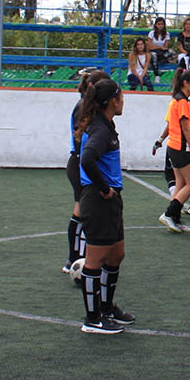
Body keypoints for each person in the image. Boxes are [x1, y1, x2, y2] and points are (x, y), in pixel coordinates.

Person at [75, 78, 134, 334]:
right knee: (95, 259)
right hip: (99, 201)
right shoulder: (100, 129)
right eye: (121, 97)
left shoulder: (107, 125)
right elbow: (87, 158)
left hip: (110, 200)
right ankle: (92, 318)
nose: (123, 102)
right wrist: (104, 188)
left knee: (116, 254)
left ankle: (107, 307)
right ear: (113, 101)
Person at [64, 70, 109, 279]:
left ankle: (76, 257)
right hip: (80, 163)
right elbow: (83, 140)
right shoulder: (84, 107)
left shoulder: (87, 106)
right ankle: (75, 259)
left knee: (81, 211)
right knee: (82, 212)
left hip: (80, 162)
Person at [156, 69, 190, 233]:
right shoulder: (182, 102)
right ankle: (169, 214)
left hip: (174, 147)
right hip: (181, 148)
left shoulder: (176, 100)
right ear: (186, 83)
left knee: (181, 183)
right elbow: (186, 129)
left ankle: (175, 218)